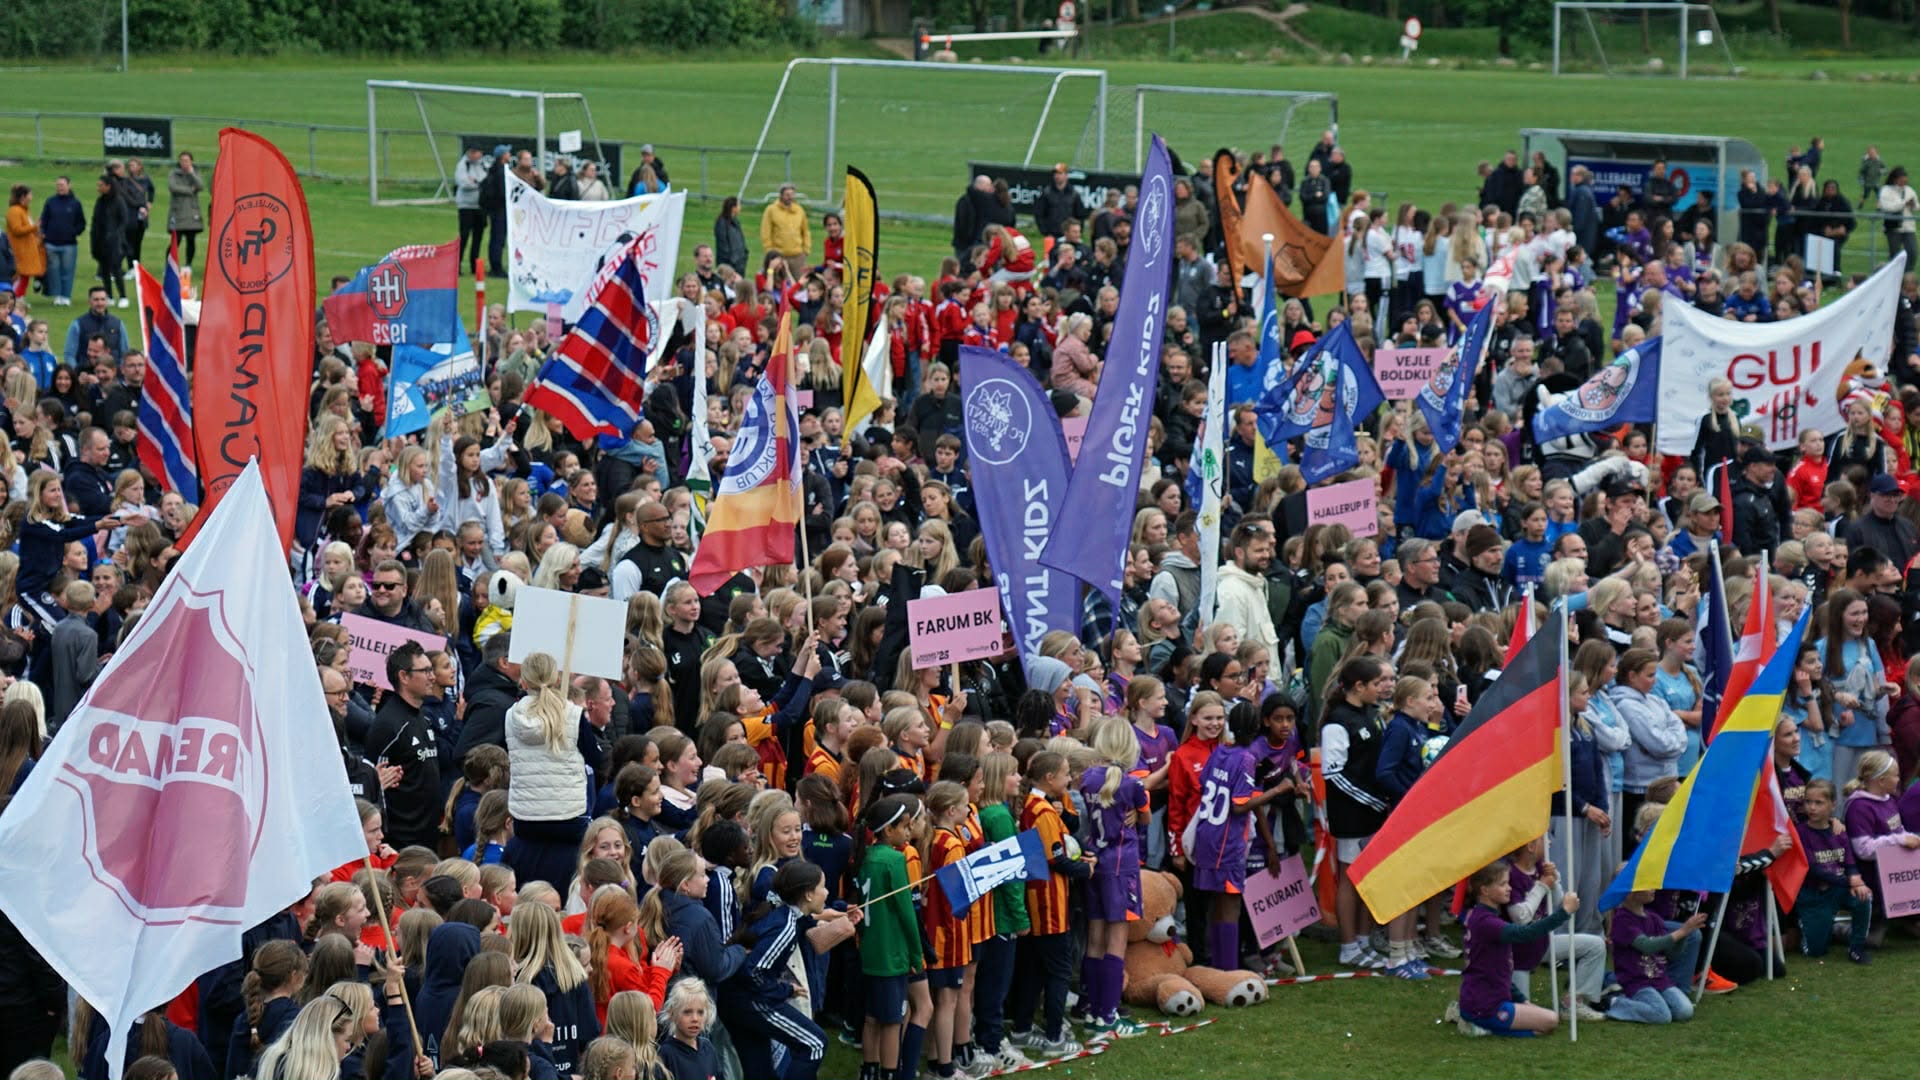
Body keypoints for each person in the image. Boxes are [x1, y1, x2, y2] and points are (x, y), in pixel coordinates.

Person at [1451, 859, 1576, 1037]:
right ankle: (1482, 1026)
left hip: (1480, 998)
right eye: (1503, 884)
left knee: (1540, 1017)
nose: (1509, 888)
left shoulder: (1480, 915)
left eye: (1508, 883)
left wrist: (1523, 1001)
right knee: (1550, 1021)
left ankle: (1473, 1019)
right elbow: (1525, 934)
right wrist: (1564, 913)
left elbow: (1497, 971)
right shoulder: (1486, 921)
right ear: (1485, 890)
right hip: (1486, 1005)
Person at [365, 641, 443, 850]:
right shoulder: (388, 725)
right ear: (404, 676)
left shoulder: (422, 717)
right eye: (425, 671)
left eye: (431, 670)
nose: (432, 677)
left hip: (428, 837)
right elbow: (372, 784)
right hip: (402, 842)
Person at [1793, 778, 1874, 963]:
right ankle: (1814, 926)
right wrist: (1850, 881)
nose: (1812, 807)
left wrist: (1856, 881)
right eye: (1808, 802)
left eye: (1818, 803)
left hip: (1838, 889)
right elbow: (1812, 869)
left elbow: (1849, 862)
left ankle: (1856, 948)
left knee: (1864, 896)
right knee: (1815, 951)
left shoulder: (1839, 830)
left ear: (1833, 804)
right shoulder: (1800, 833)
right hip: (1814, 895)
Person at [1605, 881, 1703, 1024]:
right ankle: (1613, 1002)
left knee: (1685, 1011)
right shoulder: (1622, 920)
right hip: (1635, 981)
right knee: (1662, 1016)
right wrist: (1682, 931)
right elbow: (1647, 946)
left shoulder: (1654, 919)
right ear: (1631, 893)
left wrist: (1684, 935)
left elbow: (1672, 954)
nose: (1654, 889)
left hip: (1659, 979)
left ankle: (1645, 1004)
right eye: (1648, 886)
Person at [89, 176, 127, 307]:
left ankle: (123, 296)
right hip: (101, 242)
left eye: (101, 185)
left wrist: (115, 236)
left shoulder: (118, 201)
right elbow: (95, 221)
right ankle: (109, 295)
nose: (98, 188)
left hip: (114, 243)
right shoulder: (100, 202)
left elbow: (123, 220)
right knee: (104, 271)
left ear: (108, 186)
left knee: (116, 269)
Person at [165, 153, 205, 270]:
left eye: (187, 160)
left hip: (192, 213)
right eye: (182, 160)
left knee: (191, 240)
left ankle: (188, 265)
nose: (184, 163)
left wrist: (191, 174)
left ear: (191, 161)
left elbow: (200, 186)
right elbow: (173, 187)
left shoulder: (195, 173)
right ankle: (169, 266)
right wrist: (190, 190)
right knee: (175, 241)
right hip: (177, 213)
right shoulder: (174, 174)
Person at [456, 146, 490, 274]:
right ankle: (457, 265)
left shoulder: (483, 164)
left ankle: (474, 266)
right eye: (475, 152)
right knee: (464, 236)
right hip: (466, 206)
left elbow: (487, 181)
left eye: (479, 152)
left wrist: (475, 181)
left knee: (478, 237)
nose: (477, 155)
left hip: (480, 206)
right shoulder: (463, 165)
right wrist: (479, 184)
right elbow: (464, 183)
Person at [6, 187, 45, 300]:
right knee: (19, 276)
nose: (31, 197)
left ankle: (20, 298)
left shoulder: (24, 211)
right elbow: (17, 230)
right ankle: (14, 299)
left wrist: (37, 235)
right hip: (19, 250)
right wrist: (34, 227)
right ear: (23, 197)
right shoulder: (14, 211)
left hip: (27, 249)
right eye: (30, 194)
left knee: (25, 276)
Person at [760, 185, 810, 266]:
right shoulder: (771, 210)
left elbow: (805, 231)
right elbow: (765, 232)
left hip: (797, 255)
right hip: (778, 255)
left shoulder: (799, 210)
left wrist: (806, 250)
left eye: (792, 194)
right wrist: (769, 250)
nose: (790, 197)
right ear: (781, 195)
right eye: (787, 194)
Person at [713, 197, 748, 275]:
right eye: (738, 205)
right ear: (733, 208)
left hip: (739, 263)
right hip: (729, 264)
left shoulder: (736, 222)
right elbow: (723, 245)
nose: (740, 208)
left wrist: (744, 255)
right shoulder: (721, 223)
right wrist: (731, 261)